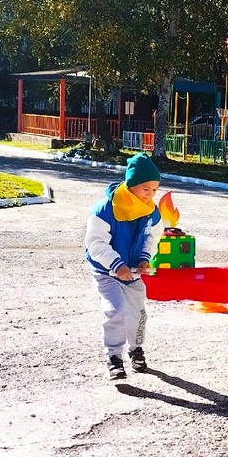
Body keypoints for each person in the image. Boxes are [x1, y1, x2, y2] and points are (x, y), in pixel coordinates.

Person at [85, 153, 164, 380]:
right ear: (131, 185)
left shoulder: (151, 211)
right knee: (116, 309)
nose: (150, 194)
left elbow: (152, 237)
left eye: (154, 190)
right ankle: (114, 357)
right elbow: (96, 243)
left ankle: (136, 349)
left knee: (138, 313)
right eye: (145, 189)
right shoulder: (104, 210)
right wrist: (117, 265)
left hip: (133, 271)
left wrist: (145, 258)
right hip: (107, 271)